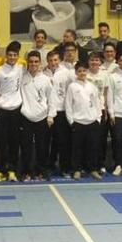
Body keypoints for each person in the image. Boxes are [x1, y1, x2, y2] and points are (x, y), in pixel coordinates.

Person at [0, 41, 24, 183]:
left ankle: (12, 170)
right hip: (2, 111)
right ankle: (0, 171)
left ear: (17, 56)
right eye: (10, 55)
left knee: (14, 143)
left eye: (14, 55)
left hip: (16, 111)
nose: (12, 57)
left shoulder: (22, 69)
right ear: (6, 56)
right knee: (1, 143)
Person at [19, 51, 54, 181]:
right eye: (31, 61)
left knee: (42, 146)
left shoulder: (46, 80)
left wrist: (50, 116)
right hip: (25, 116)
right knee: (26, 146)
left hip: (42, 117)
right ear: (27, 62)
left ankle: (41, 171)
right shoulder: (22, 78)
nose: (33, 64)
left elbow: (52, 99)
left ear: (40, 63)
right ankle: (26, 172)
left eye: (36, 61)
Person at [65, 62, 103, 180]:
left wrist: (98, 118)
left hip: (92, 121)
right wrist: (71, 121)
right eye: (79, 71)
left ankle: (92, 169)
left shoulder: (92, 86)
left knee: (92, 147)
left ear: (87, 72)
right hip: (78, 122)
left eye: (84, 71)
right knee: (77, 148)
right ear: (76, 73)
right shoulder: (72, 86)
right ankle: (77, 170)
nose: (82, 73)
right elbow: (68, 105)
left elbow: (97, 103)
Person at [46, 49, 74, 177]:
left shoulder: (67, 73)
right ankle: (49, 166)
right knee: (49, 141)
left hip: (62, 111)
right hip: (46, 113)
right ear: (47, 61)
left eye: (56, 60)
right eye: (51, 60)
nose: (53, 62)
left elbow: (72, 91)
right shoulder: (42, 73)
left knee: (64, 142)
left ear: (59, 60)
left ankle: (65, 168)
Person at [86, 51, 110, 174]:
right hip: (86, 109)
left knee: (100, 139)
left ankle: (100, 164)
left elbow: (105, 93)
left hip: (100, 109)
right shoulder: (84, 73)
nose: (94, 62)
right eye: (92, 60)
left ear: (100, 62)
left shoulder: (104, 75)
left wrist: (105, 109)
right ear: (88, 61)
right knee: (88, 139)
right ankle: (87, 165)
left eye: (96, 60)